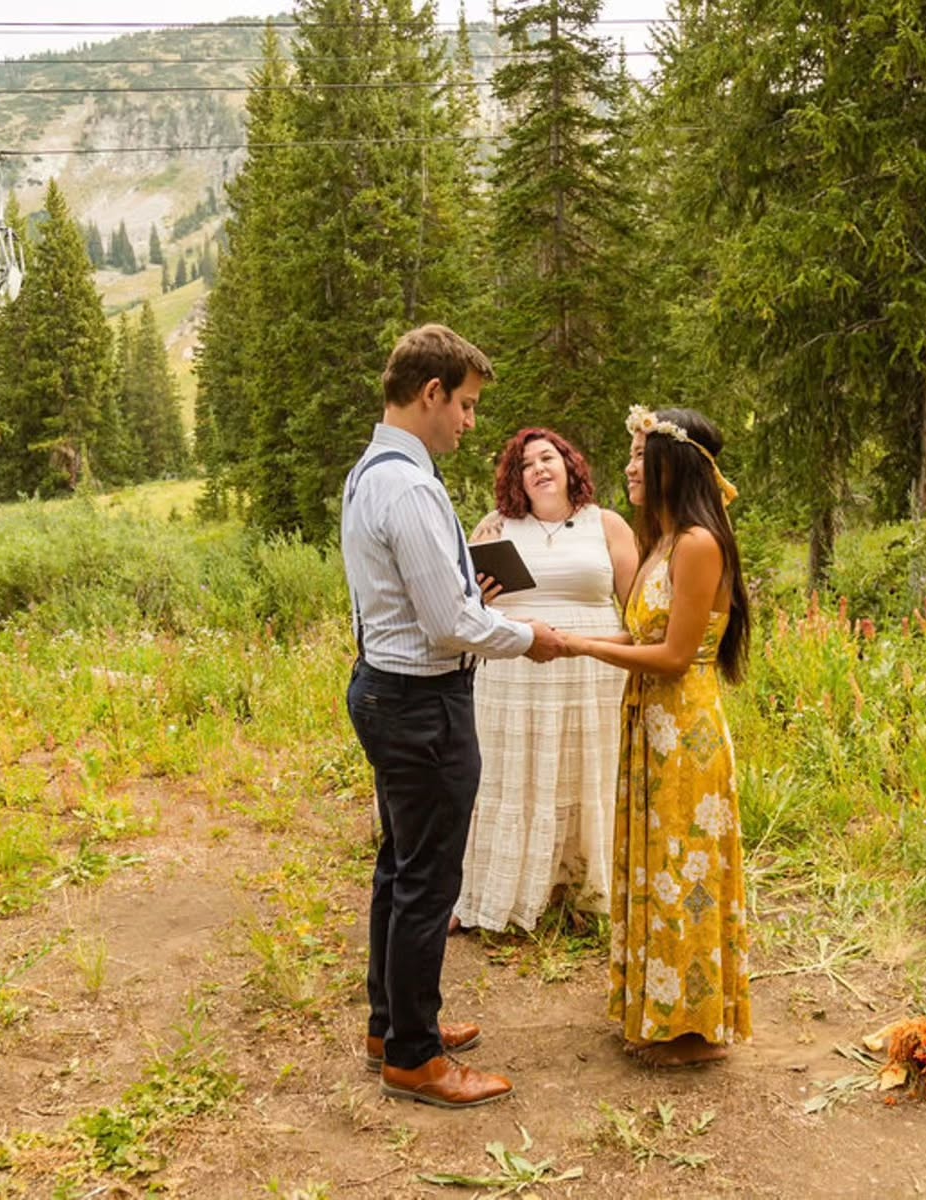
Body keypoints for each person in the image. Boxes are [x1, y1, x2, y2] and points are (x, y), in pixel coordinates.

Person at [342, 325, 565, 1109]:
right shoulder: (408, 485)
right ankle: (414, 1055)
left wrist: (466, 589)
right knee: (428, 880)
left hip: (387, 687)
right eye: (466, 406)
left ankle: (392, 1021)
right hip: (421, 701)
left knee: (400, 866)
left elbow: (421, 596)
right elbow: (448, 626)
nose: (471, 423)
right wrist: (530, 637)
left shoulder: (373, 471)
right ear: (430, 393)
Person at [562, 405, 752, 1068]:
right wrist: (566, 643)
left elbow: (674, 657)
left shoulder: (699, 543)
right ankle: (660, 1009)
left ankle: (694, 1029)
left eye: (642, 456)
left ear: (676, 464)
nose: (630, 468)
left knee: (685, 872)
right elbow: (641, 636)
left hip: (687, 732)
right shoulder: (663, 543)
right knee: (656, 866)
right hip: (651, 726)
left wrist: (584, 646)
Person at [453, 428, 638, 934]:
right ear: (516, 481)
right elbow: (463, 607)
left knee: (588, 770)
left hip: (593, 670)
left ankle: (588, 892)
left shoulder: (607, 525)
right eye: (524, 464)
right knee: (518, 776)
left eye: (546, 457)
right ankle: (514, 891)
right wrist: (482, 599)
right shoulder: (495, 526)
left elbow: (639, 605)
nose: (537, 468)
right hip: (517, 672)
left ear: (568, 464)